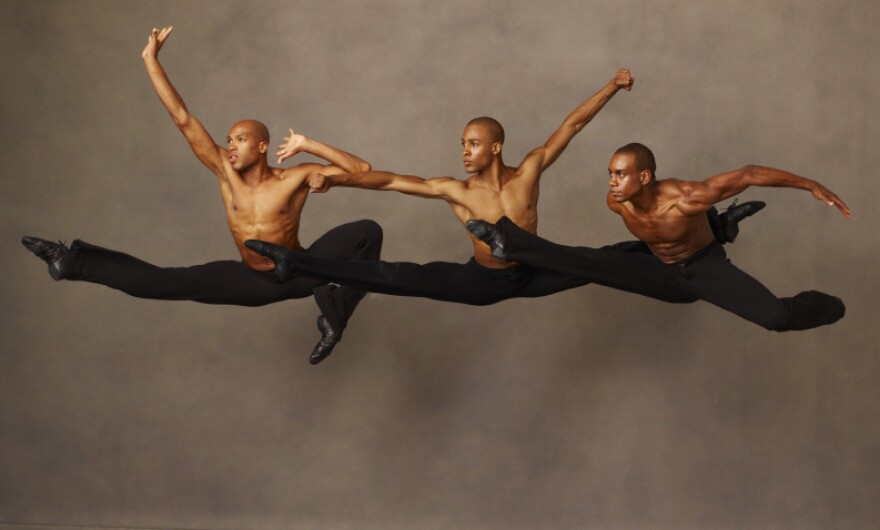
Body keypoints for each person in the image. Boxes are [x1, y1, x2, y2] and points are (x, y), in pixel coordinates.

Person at [246, 70, 762, 314]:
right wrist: (329, 171)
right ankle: (302, 265)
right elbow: (389, 180)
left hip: (534, 272)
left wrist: (611, 86)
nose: (464, 152)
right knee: (396, 277)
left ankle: (717, 228)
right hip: (484, 282)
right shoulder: (455, 190)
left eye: (472, 144)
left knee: (613, 260)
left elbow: (571, 128)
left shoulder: (529, 171)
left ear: (496, 147)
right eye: (462, 144)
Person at [21, 27, 383, 364]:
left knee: (368, 231)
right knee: (167, 282)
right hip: (253, 279)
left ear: (262, 146)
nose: (230, 146)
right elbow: (182, 117)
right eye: (228, 140)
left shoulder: (295, 177)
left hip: (301, 269)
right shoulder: (224, 173)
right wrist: (151, 60)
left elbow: (363, 171)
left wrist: (310, 146)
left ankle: (335, 313)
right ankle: (71, 262)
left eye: (239, 139)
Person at [467, 142, 848, 331]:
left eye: (621, 175)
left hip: (703, 270)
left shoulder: (685, 198)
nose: (612, 183)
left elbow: (748, 174)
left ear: (644, 177)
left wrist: (809, 184)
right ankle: (507, 240)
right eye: (610, 174)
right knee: (592, 261)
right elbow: (646, 241)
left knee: (776, 317)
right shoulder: (617, 203)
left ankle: (829, 304)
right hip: (660, 273)